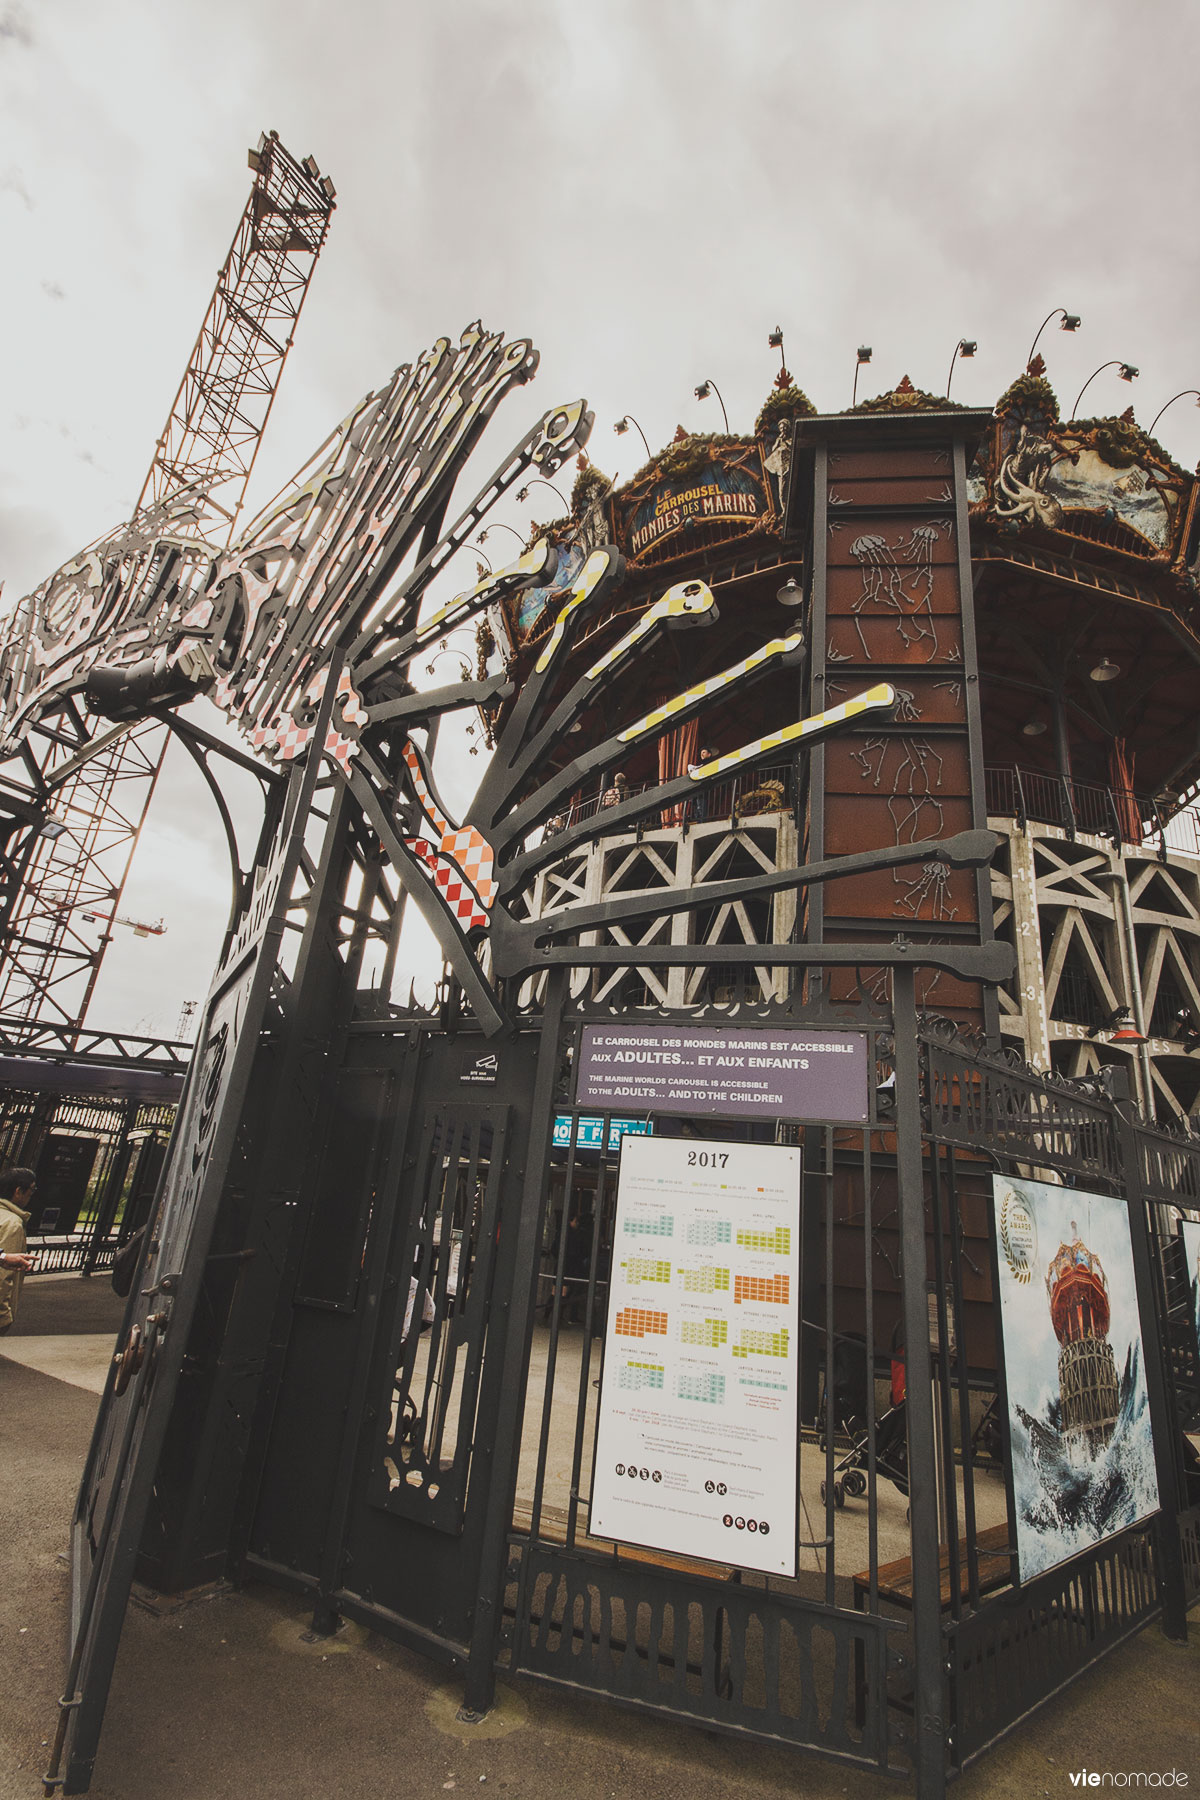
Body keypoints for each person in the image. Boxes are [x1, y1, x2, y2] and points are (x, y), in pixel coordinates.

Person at [0, 1166, 37, 1333]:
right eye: (32, 1189)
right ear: (18, 1191)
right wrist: (4, 1314)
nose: (32, 1194)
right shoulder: (13, 1224)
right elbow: (4, 1277)